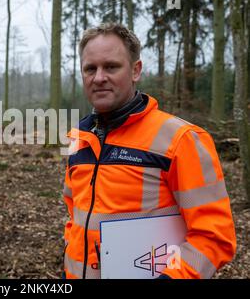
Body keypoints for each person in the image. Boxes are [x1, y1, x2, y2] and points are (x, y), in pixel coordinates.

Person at [62, 23, 236, 279]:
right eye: (90, 68)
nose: (99, 77)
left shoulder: (181, 140)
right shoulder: (78, 137)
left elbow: (215, 237)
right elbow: (74, 216)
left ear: (135, 70)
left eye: (111, 66)